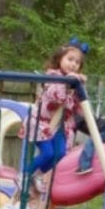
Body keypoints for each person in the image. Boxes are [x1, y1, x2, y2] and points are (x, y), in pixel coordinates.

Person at [24, 39, 88, 176]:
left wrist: (79, 86)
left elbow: (76, 106)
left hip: (59, 126)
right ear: (60, 59)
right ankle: (24, 175)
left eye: (77, 63)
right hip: (41, 123)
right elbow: (55, 97)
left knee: (60, 154)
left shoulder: (72, 82)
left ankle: (38, 176)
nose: (73, 64)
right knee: (48, 153)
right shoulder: (52, 76)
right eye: (70, 59)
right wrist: (68, 82)